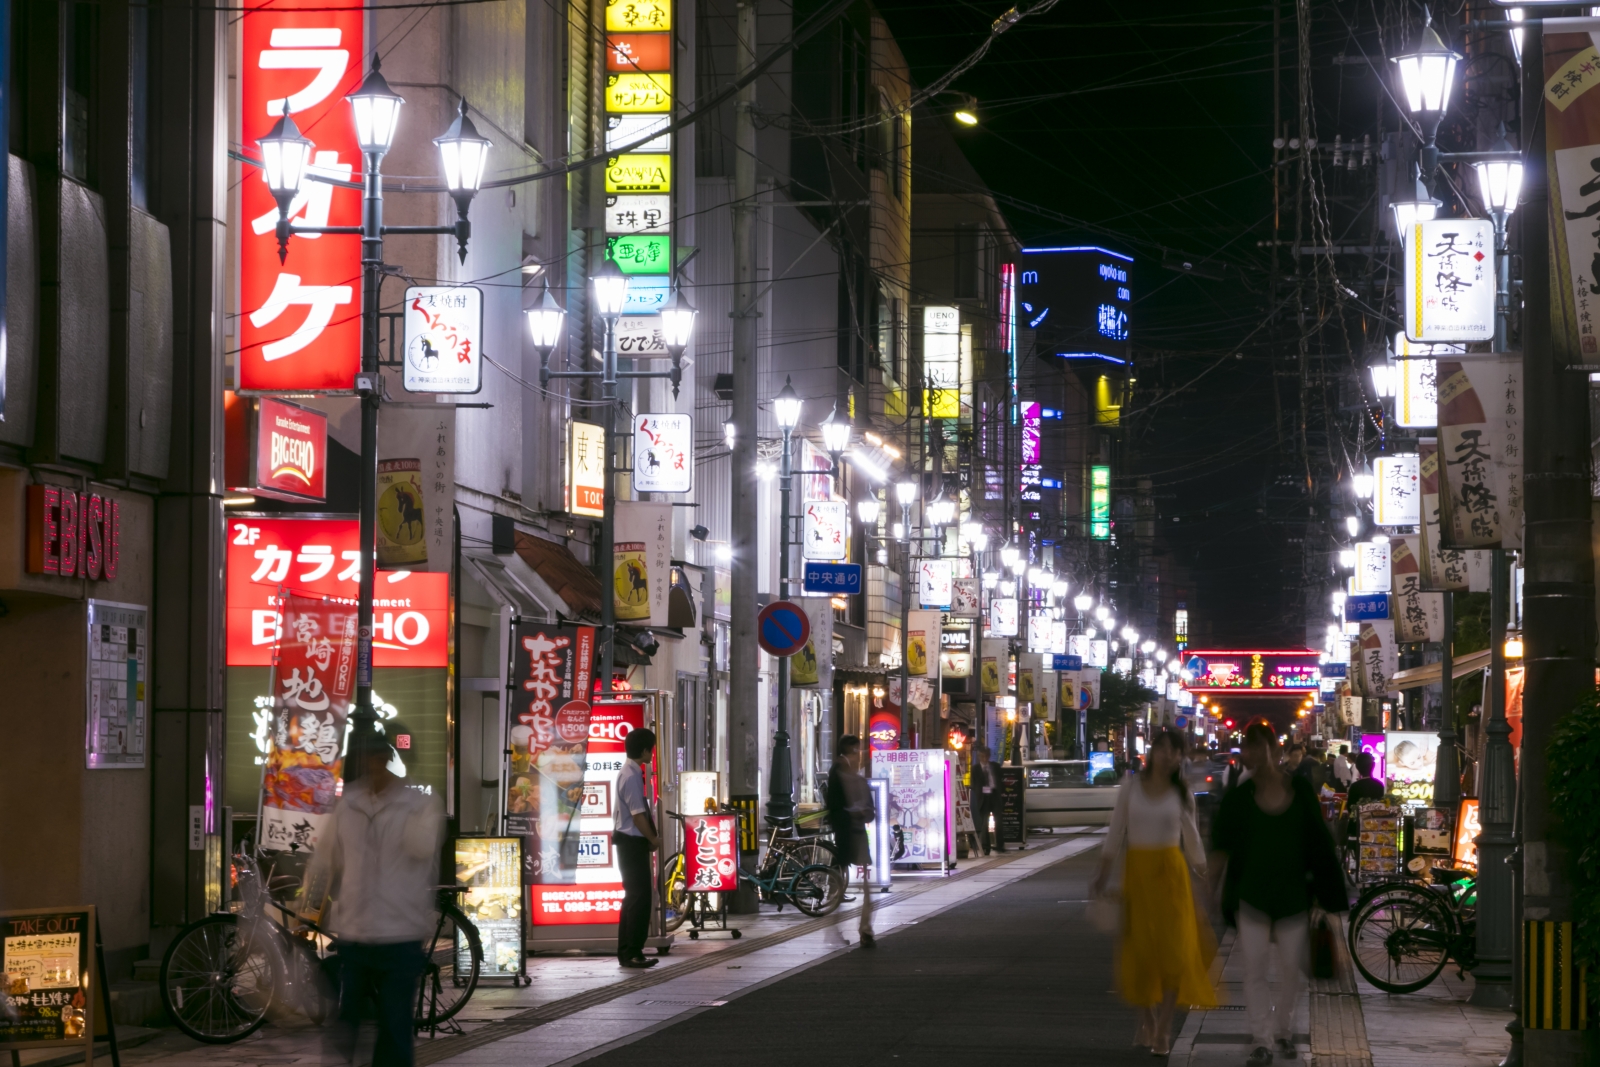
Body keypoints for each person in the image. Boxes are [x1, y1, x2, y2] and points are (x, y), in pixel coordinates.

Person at [1210, 724, 1348, 1067]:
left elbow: (1319, 840)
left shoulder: (1299, 789)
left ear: (1274, 749)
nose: (1251, 754)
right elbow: (1221, 847)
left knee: (1291, 970)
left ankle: (1284, 1030)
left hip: (1293, 896)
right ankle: (1261, 1038)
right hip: (1252, 896)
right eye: (1247, 747)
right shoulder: (1239, 798)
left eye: (1257, 747)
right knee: (1254, 969)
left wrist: (1328, 892)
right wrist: (1208, 891)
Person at [309, 728, 443, 1067]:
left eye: (379, 757)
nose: (374, 765)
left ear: (389, 759)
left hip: (401, 931)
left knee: (395, 1023)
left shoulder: (419, 804)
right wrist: (310, 899)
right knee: (345, 1021)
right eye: (367, 758)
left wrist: (408, 824)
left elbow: (423, 848)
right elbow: (326, 857)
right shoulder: (349, 803)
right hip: (356, 931)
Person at [1093, 728, 1216, 1056]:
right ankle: (1145, 1016)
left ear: (1181, 757)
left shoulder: (1182, 793)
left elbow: (1191, 838)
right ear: (1152, 752)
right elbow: (1115, 833)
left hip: (1171, 878)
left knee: (1174, 951)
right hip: (1138, 876)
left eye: (1176, 751)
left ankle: (1162, 1027)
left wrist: (1203, 873)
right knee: (1141, 951)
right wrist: (1102, 875)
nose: (1170, 756)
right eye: (1163, 749)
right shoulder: (1131, 788)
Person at [615, 727, 660, 969]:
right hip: (631, 842)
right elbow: (638, 816)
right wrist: (653, 839)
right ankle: (632, 952)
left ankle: (629, 951)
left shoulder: (630, 772)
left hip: (629, 842)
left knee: (635, 897)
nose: (652, 754)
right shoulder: (631, 776)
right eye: (651, 749)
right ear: (644, 750)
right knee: (638, 898)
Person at [825, 734, 876, 947]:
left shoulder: (858, 779)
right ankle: (836, 928)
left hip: (857, 835)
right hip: (846, 835)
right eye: (856, 752)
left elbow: (872, 811)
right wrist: (852, 814)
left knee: (864, 885)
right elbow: (833, 810)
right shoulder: (837, 776)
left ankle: (865, 929)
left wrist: (864, 813)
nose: (858, 757)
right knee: (839, 885)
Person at [970, 746, 1004, 854]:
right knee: (984, 823)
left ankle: (1000, 845)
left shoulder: (996, 766)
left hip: (994, 795)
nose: (985, 759)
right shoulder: (975, 769)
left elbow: (1000, 780)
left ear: (989, 756)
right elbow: (974, 784)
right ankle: (986, 846)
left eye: (986, 756)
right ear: (979, 757)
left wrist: (1000, 791)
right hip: (983, 798)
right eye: (982, 757)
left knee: (998, 821)